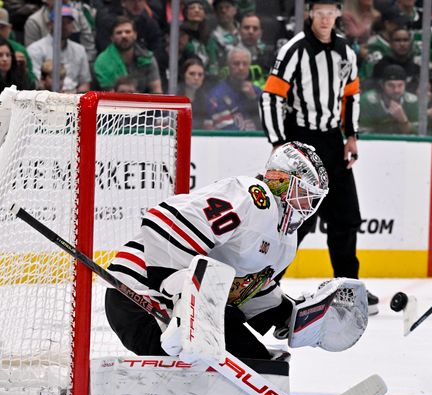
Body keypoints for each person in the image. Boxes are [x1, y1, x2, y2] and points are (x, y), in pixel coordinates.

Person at [105, 142, 331, 362]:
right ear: (280, 181)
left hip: (190, 309)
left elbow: (244, 288)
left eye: (313, 198)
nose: (308, 204)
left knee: (260, 362)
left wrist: (287, 314)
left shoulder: (286, 239)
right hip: (138, 296)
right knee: (240, 361)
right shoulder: (252, 196)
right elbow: (168, 220)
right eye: (303, 193)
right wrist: (180, 291)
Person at [260, 0, 379, 315]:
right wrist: (278, 143)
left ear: (339, 14)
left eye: (332, 12)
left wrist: (350, 135)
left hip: (331, 140)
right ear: (310, 13)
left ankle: (347, 287)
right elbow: (271, 95)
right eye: (320, 12)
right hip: (301, 141)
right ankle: (266, 287)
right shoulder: (294, 49)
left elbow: (350, 94)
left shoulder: (345, 52)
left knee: (346, 218)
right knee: (295, 221)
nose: (326, 19)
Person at [26, 6, 91, 93]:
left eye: (68, 22)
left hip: (73, 98)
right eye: (60, 21)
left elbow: (85, 83)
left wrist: (75, 97)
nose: (64, 25)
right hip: (46, 97)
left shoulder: (80, 50)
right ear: (50, 24)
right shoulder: (35, 49)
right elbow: (37, 82)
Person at [94, 16, 163, 93]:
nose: (124, 36)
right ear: (112, 38)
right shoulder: (103, 62)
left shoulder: (148, 58)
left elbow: (157, 91)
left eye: (128, 32)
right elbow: (109, 95)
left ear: (135, 35)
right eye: (119, 33)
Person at [207, 47, 263, 131]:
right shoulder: (217, 95)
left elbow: (268, 125)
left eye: (245, 64)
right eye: (236, 64)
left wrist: (253, 99)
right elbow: (228, 132)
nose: (241, 68)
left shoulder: (257, 92)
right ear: (228, 66)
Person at [360, 64, 419, 134]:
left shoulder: (413, 101)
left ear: (405, 84)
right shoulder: (367, 101)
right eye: (391, 85)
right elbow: (364, 136)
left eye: (400, 85)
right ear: (382, 84)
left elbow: (417, 136)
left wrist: (403, 120)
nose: (396, 90)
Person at [178, 58, 212, 129]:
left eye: (200, 75)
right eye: (192, 74)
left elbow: (209, 129)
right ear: (184, 75)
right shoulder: (174, 96)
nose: (196, 78)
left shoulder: (207, 100)